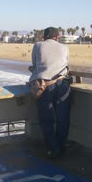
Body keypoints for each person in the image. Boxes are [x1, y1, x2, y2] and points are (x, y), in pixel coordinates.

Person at [29, 27, 71, 158]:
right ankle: (61, 146)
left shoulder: (38, 45)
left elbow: (35, 65)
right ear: (57, 37)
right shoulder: (64, 47)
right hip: (63, 85)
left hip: (45, 86)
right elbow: (66, 64)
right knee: (63, 119)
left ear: (44, 37)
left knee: (46, 119)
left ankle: (53, 149)